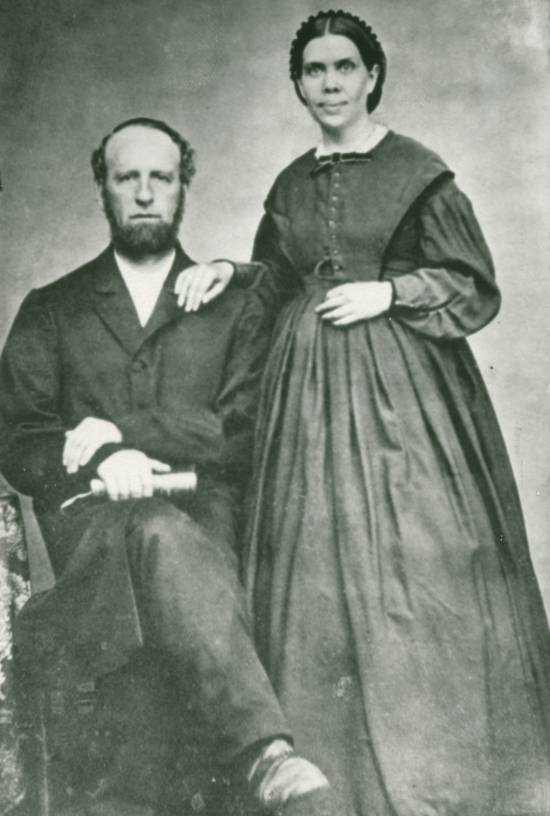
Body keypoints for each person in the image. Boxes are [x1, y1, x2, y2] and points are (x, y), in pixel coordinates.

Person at [175, 11, 550, 816]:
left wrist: (392, 291)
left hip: (404, 393)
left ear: (372, 76)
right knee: (313, 569)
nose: (332, 83)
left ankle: (435, 776)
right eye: (315, 71)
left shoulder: (420, 171)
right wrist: (227, 269)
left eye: (346, 67)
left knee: (421, 563)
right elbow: (278, 281)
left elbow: (473, 282)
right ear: (300, 85)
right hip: (302, 396)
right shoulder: (288, 183)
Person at [0, 117, 337, 816]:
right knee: (148, 529)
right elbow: (20, 438)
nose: (146, 193)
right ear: (104, 186)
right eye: (129, 178)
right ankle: (265, 754)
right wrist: (101, 462)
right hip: (92, 531)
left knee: (163, 536)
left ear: (184, 185)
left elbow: (240, 434)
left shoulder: (233, 304)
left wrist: (127, 435)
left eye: (162, 177)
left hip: (207, 519)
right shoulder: (53, 309)